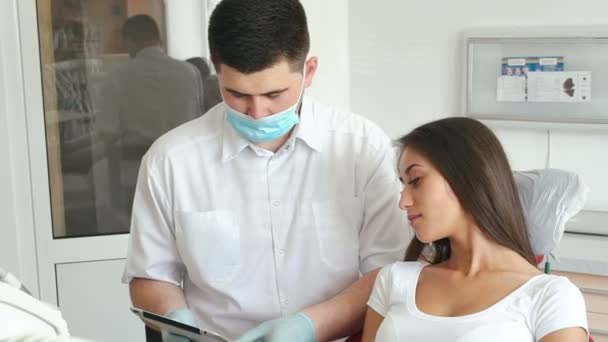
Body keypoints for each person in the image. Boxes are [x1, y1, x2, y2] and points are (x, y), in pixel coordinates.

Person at [122, 1, 408, 341]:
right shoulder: (171, 161)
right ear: (218, 77)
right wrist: (174, 319)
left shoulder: (362, 148)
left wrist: (310, 326)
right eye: (237, 94)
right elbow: (151, 275)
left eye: (275, 93)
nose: (257, 112)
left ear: (310, 71)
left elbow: (389, 272)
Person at [361, 117, 588, 341]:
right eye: (402, 184)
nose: (403, 202)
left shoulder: (550, 296)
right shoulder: (394, 279)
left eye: (416, 180)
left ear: (467, 176)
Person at [93, 14, 204, 230]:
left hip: (132, 177)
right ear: (158, 39)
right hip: (184, 175)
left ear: (128, 41)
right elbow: (199, 126)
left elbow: (108, 134)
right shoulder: (189, 73)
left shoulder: (115, 77)